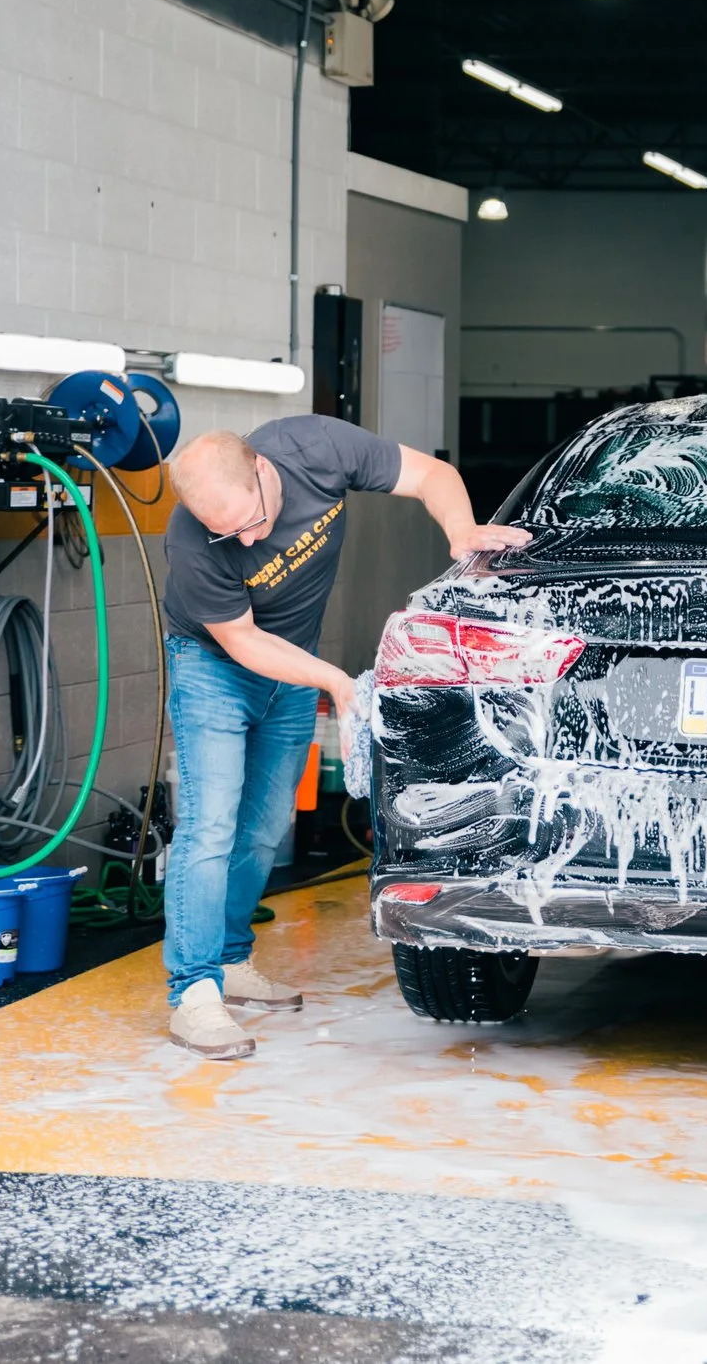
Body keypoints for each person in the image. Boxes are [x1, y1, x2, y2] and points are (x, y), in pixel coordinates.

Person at [156, 419, 530, 1058]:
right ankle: (193, 993)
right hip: (214, 669)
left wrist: (460, 530)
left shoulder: (313, 450)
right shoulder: (193, 541)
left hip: (293, 665)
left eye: (250, 520)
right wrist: (337, 680)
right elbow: (243, 641)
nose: (243, 539)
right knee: (210, 826)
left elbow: (434, 476)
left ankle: (232, 960)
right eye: (228, 532)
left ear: (265, 473)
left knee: (265, 827)